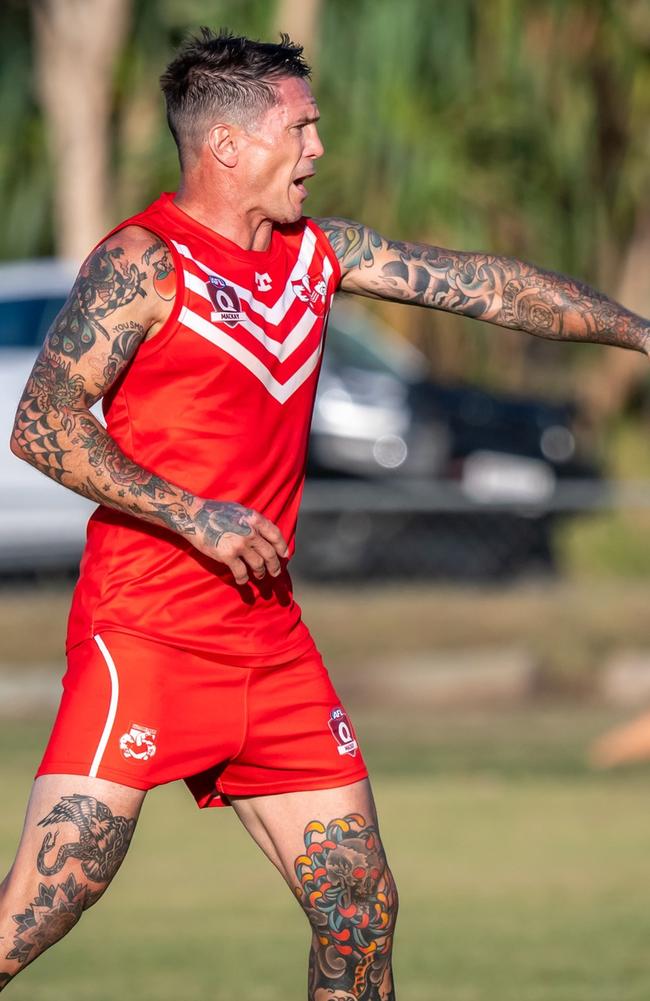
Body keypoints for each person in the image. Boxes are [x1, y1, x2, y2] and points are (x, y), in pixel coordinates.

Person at [2, 27, 649, 1001]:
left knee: (359, 912)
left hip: (270, 640)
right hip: (145, 636)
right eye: (298, 128)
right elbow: (42, 422)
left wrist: (639, 331)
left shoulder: (317, 254)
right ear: (225, 144)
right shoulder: (145, 261)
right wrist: (193, 512)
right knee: (42, 907)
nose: (315, 149)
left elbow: (488, 287)